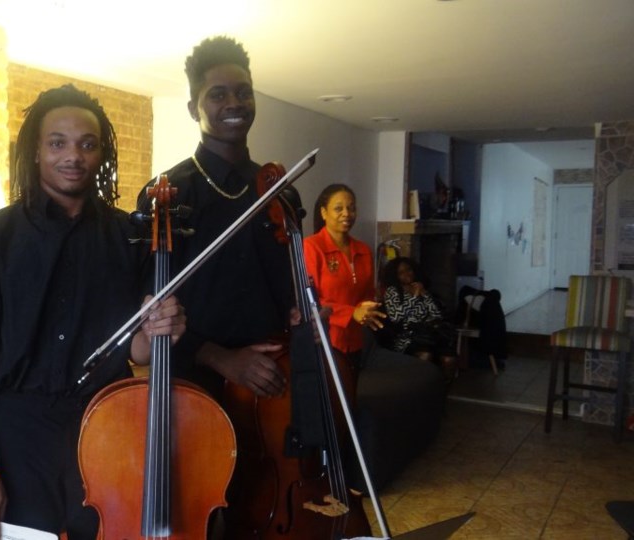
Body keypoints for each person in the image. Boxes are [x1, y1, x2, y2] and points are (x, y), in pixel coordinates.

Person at [0, 84, 185, 540]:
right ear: (35, 151)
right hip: (18, 433)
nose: (72, 155)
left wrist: (162, 334)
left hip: (107, 426)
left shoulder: (130, 239)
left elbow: (136, 347)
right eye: (57, 142)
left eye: (86, 144)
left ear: (102, 156)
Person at [136, 35, 297, 402]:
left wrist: (302, 312)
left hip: (274, 377)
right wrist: (221, 357)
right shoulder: (168, 194)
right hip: (195, 386)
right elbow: (152, 310)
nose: (234, 103)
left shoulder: (279, 191)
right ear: (194, 108)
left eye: (244, 92)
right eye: (218, 94)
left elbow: (287, 287)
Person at [302, 183, 384, 387]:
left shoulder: (363, 250)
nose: (347, 213)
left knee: (350, 397)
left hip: (354, 340)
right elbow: (310, 300)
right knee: (329, 401)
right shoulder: (311, 247)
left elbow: (367, 293)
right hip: (324, 340)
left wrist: (368, 309)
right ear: (324, 212)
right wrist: (351, 313)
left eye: (351, 207)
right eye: (339, 208)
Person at [380, 256, 457, 372]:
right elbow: (395, 317)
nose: (407, 274)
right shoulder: (393, 291)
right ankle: (420, 386)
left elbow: (437, 315)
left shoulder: (420, 287)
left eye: (409, 269)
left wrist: (424, 294)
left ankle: (442, 387)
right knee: (425, 355)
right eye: (401, 272)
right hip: (408, 337)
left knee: (449, 359)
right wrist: (414, 297)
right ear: (395, 276)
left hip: (430, 334)